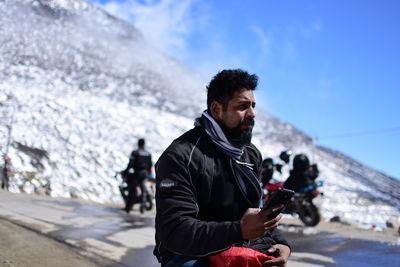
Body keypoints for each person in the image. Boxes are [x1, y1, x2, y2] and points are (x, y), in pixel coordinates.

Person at [154, 69, 291, 266]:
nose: (252, 113)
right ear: (217, 109)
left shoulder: (250, 154)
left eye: (253, 106)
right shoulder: (181, 155)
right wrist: (239, 230)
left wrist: (281, 243)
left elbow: (255, 214)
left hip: (244, 249)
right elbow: (175, 232)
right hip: (191, 256)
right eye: (243, 106)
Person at [122, 138, 152, 213]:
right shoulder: (148, 153)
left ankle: (128, 207)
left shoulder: (135, 152)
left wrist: (126, 172)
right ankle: (142, 208)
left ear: (138, 144)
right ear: (144, 144)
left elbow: (130, 164)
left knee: (133, 190)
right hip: (145, 173)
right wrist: (148, 174)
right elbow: (150, 165)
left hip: (137, 173)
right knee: (143, 190)